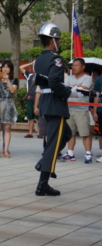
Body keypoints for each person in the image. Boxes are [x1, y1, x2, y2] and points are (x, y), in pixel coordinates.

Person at [33, 22, 81, 196]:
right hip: (55, 102)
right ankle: (42, 185)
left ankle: (42, 162)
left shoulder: (39, 59)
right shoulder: (56, 59)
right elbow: (54, 82)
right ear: (52, 40)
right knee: (54, 143)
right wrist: (70, 92)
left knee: (66, 134)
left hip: (46, 101)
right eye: (58, 40)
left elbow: (40, 80)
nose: (59, 42)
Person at [58, 58, 92, 163]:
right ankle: (70, 153)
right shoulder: (69, 78)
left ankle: (88, 154)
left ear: (83, 67)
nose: (74, 67)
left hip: (81, 110)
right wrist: (74, 87)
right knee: (70, 133)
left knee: (85, 133)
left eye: (77, 65)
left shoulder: (88, 78)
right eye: (73, 66)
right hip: (69, 109)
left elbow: (84, 88)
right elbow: (65, 88)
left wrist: (71, 87)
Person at [0, 60, 18, 158]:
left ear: (11, 69)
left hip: (9, 103)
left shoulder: (14, 80)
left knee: (7, 128)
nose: (5, 69)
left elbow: (13, 90)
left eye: (7, 67)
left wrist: (7, 80)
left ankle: (5, 149)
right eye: (4, 67)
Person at [20, 61, 39, 138]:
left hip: (39, 97)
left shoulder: (43, 76)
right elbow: (21, 68)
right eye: (34, 66)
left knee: (39, 115)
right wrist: (31, 64)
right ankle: (30, 132)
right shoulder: (29, 75)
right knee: (30, 115)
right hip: (30, 97)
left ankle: (39, 132)